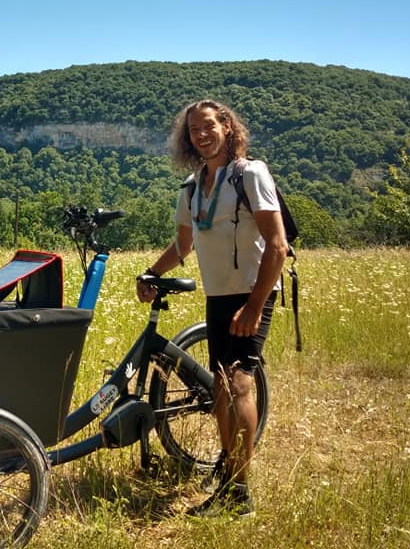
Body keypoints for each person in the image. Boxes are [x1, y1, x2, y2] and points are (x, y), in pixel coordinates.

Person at [136, 99, 287, 518]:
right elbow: (184, 244)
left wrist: (255, 306)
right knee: (220, 388)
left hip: (250, 294)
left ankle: (239, 494)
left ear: (226, 126)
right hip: (218, 297)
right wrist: (150, 272)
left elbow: (277, 246)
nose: (200, 135)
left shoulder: (250, 175)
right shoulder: (192, 184)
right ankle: (228, 467)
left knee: (238, 385)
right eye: (193, 131)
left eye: (208, 126)